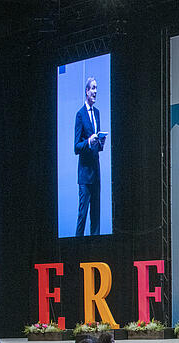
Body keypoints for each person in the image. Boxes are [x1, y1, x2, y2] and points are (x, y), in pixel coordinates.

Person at [74, 77, 106, 236]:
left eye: (96, 88)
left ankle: (97, 247)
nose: (95, 92)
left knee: (96, 214)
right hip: (85, 174)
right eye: (93, 88)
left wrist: (100, 143)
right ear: (87, 91)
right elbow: (76, 147)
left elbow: (97, 147)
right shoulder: (80, 115)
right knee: (83, 215)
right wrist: (88, 141)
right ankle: (76, 248)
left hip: (96, 172)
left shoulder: (97, 113)